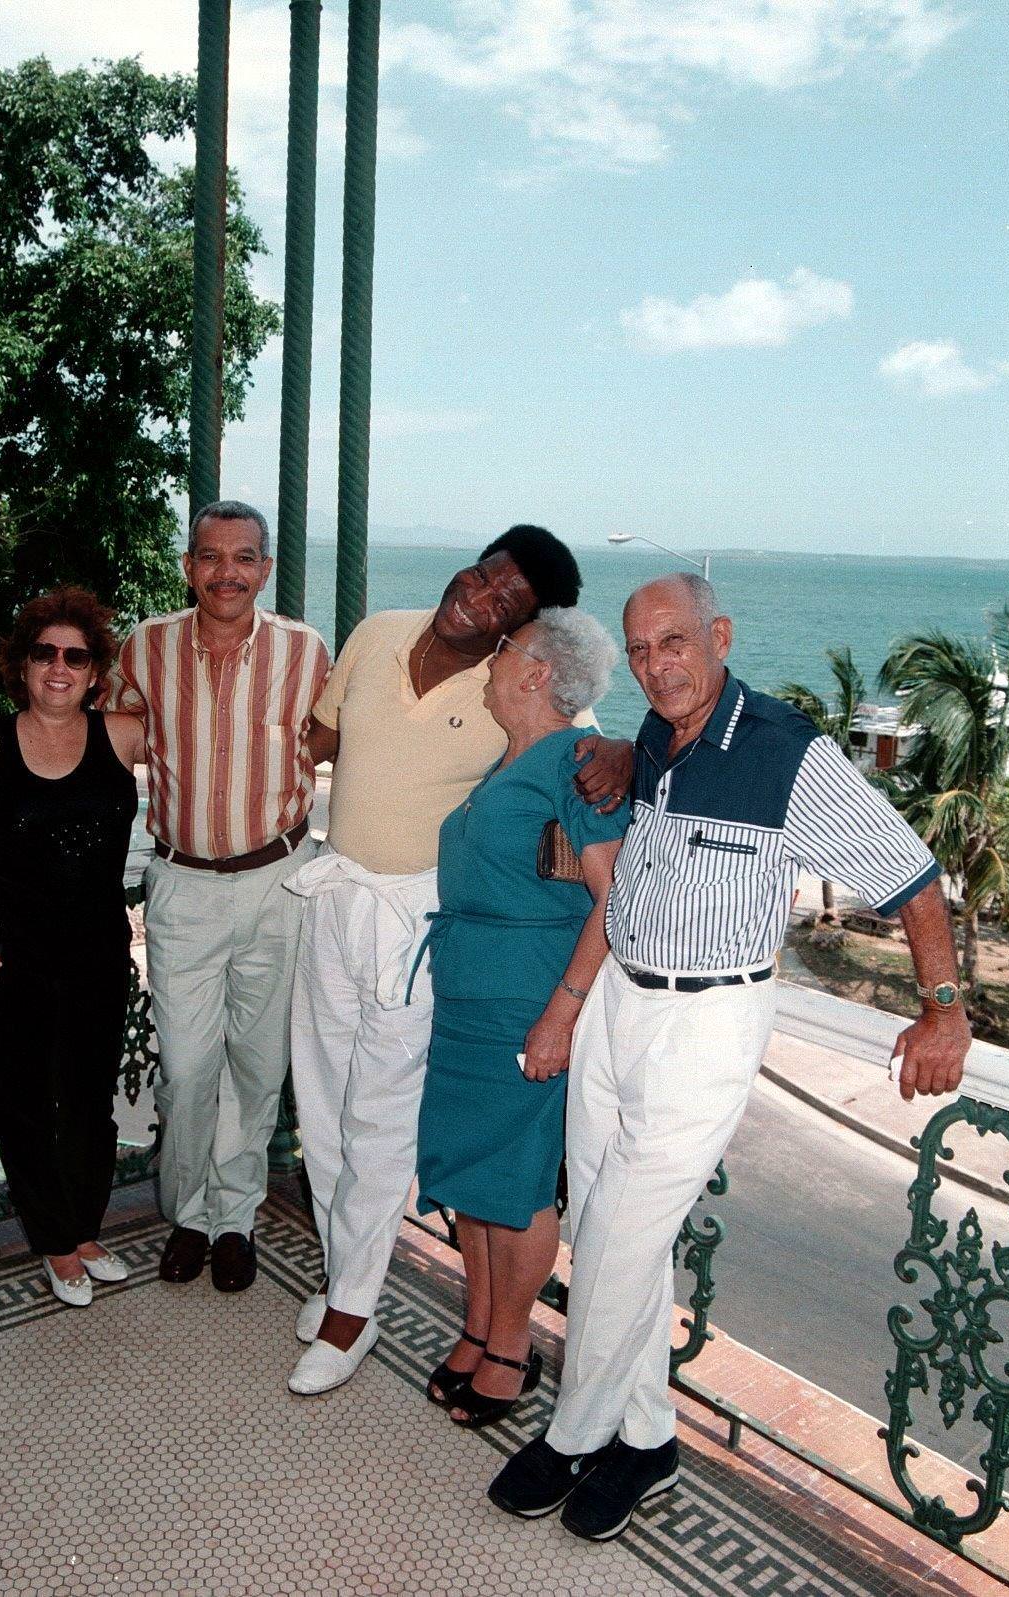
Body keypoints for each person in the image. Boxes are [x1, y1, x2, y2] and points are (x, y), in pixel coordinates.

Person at [488, 573, 972, 1539]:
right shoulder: (659, 735)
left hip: (706, 1023)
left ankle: (575, 1435)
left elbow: (911, 876)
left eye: (673, 642)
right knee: (609, 1224)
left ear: (719, 635)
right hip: (619, 1000)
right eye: (638, 650)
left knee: (616, 1239)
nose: (655, 665)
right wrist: (623, 752)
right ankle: (646, 1437)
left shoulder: (787, 751)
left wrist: (943, 1011)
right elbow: (648, 814)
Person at [284, 525, 635, 1397]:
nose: (480, 599)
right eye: (484, 576)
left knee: (380, 1118)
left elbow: (589, 747)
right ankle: (341, 1267)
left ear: (522, 636)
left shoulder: (524, 695)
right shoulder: (375, 633)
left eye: (507, 604)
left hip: (418, 923)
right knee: (321, 1107)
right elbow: (320, 739)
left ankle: (353, 1308)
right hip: (335, 894)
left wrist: (630, 750)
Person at [103, 501, 329, 1294]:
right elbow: (104, 726)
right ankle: (187, 1210)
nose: (225, 572)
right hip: (183, 883)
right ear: (188, 566)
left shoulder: (306, 651)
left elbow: (335, 736)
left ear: (264, 569)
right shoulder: (146, 645)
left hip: (276, 879)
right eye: (209, 556)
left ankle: (231, 1218)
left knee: (258, 1065)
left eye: (242, 557)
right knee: (188, 1066)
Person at [416, 608, 628, 1429]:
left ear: (536, 672)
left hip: (525, 1004)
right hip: (467, 1002)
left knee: (515, 1182)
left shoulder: (575, 762)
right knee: (473, 1177)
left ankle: (510, 1344)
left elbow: (613, 899)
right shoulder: (509, 761)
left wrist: (559, 1017)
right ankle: (476, 1327)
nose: (492, 659)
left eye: (505, 649)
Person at [0, 586, 144, 1307]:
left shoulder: (122, 736)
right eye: (44, 653)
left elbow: (209, 731)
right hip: (8, 956)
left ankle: (82, 1230)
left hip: (96, 953)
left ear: (94, 672)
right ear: (22, 666)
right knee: (20, 1101)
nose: (58, 667)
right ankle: (56, 1242)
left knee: (88, 1100)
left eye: (75, 657)